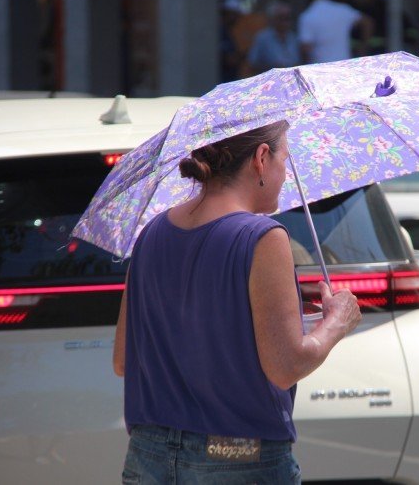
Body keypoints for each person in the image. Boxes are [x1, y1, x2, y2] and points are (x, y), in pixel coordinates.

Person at [113, 120, 362, 484]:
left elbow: (123, 360)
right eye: (284, 160)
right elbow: (284, 367)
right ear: (261, 158)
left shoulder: (152, 233)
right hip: (239, 459)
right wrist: (336, 323)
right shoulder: (263, 237)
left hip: (148, 456)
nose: (285, 175)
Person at [298, 0, 373, 64]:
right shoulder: (343, 9)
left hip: (320, 69)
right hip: (344, 65)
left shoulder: (307, 16)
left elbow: (305, 48)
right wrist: (363, 50)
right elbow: (368, 22)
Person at [247, 1, 301, 74]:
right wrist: (272, 68)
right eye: (281, 18)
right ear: (273, 19)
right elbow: (252, 63)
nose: (285, 22)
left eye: (288, 18)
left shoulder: (294, 38)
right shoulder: (262, 38)